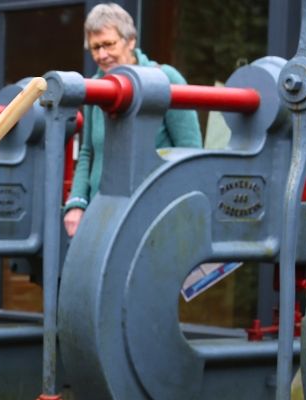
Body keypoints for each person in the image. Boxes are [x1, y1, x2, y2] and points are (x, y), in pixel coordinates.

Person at [63, 2, 202, 237]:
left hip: (152, 217)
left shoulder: (165, 78)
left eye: (109, 44)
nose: (102, 55)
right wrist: (76, 203)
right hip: (101, 214)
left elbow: (190, 151)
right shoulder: (95, 86)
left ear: (130, 41)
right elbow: (87, 153)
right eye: (95, 47)